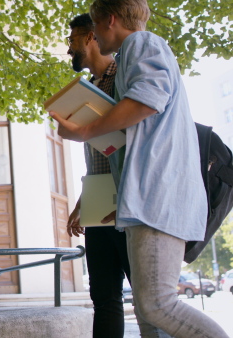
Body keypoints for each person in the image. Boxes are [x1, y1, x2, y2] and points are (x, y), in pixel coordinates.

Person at [50, 1, 228, 337]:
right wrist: (122, 198)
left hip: (160, 197)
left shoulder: (140, 44)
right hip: (146, 198)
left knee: (157, 305)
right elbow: (135, 141)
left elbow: (149, 99)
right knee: (151, 307)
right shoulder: (136, 51)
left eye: (95, 27)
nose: (94, 37)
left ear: (110, 21)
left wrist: (84, 131)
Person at [64, 13, 134, 338]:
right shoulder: (88, 90)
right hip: (97, 209)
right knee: (104, 300)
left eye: (73, 40)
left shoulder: (124, 75)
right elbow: (103, 155)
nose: (69, 50)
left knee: (149, 298)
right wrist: (82, 204)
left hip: (131, 204)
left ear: (91, 37)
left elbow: (133, 143)